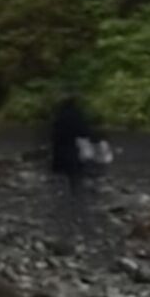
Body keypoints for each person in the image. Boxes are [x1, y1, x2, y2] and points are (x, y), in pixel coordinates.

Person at [49, 94, 109, 243]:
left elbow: (54, 138)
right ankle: (80, 214)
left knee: (62, 187)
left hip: (60, 158)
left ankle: (64, 217)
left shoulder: (58, 119)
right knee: (78, 186)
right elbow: (86, 133)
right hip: (75, 157)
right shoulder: (78, 117)